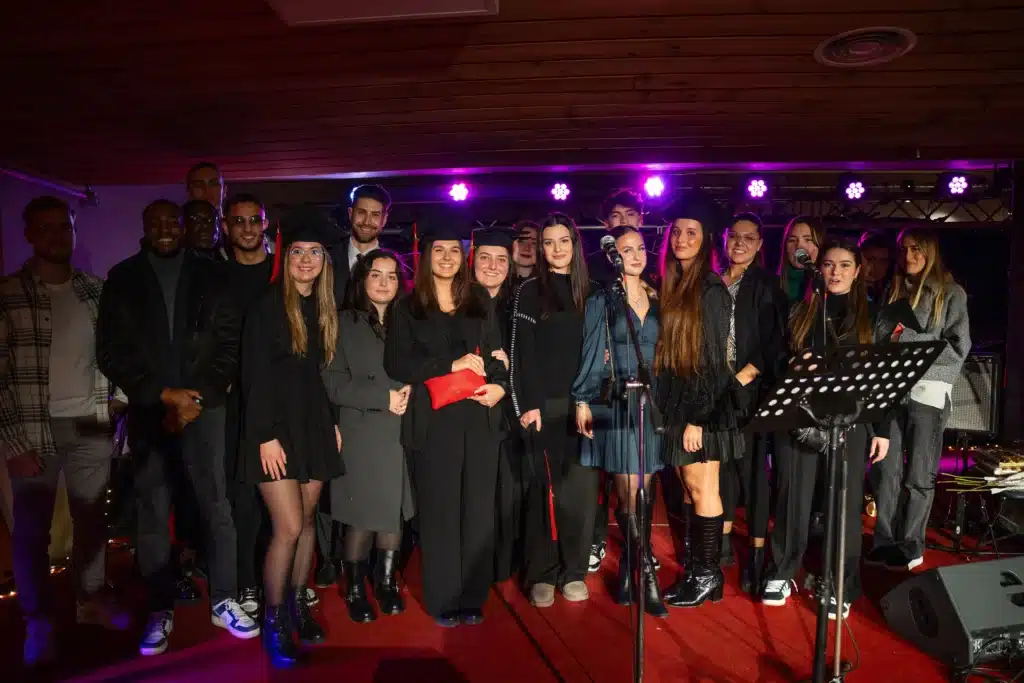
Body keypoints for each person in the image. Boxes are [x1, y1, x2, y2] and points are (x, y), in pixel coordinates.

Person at [97, 199, 255, 656]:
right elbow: (111, 352)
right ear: (145, 227)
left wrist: (195, 397)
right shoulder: (122, 278)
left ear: (185, 228)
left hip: (207, 410)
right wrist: (164, 396)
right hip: (151, 412)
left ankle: (223, 599)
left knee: (217, 506)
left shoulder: (213, 274)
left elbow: (229, 342)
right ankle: (159, 608)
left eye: (174, 222)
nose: (166, 229)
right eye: (156, 223)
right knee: (153, 512)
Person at [1, 196, 130, 668]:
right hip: (33, 429)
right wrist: (13, 444)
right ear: (30, 234)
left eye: (65, 226)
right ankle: (38, 620)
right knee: (31, 532)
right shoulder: (9, 294)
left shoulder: (97, 292)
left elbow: (119, 353)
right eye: (47, 228)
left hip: (90, 421)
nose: (58, 236)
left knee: (93, 521)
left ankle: (90, 598)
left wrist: (119, 400)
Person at [384, 225, 508, 626]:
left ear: (463, 256)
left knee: (477, 512)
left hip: (477, 415)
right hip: (433, 421)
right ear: (426, 256)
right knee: (438, 514)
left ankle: (472, 597)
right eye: (440, 249)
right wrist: (447, 365)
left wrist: (499, 387)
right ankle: (442, 599)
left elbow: (497, 355)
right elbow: (397, 363)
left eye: (455, 249)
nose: (448, 257)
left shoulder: (479, 301)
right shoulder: (408, 307)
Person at [760, 238, 891, 620]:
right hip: (799, 418)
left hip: (849, 422)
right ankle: (784, 570)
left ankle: (840, 582)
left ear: (857, 270)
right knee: (792, 498)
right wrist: (797, 364)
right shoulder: (799, 311)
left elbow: (882, 378)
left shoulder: (872, 316)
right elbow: (775, 360)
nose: (835, 272)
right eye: (830, 264)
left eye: (844, 265)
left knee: (844, 506)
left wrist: (879, 429)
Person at [237, 206, 343, 666]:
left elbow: (324, 376)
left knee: (309, 519)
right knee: (289, 527)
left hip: (315, 425)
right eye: (297, 251)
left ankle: (299, 603)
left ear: (324, 259)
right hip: (272, 431)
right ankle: (274, 622)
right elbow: (253, 377)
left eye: (313, 252)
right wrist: (264, 435)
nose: (304, 259)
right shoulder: (266, 305)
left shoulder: (324, 307)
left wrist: (334, 421)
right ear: (285, 255)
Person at [572, 225, 667, 616]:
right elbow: (593, 351)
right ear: (614, 256)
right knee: (629, 488)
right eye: (626, 249)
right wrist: (582, 399)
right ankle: (645, 571)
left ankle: (631, 567)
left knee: (644, 490)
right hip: (618, 400)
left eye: (640, 247)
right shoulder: (603, 300)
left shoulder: (659, 296)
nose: (635, 254)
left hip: (653, 402)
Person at [869, 228, 970, 571]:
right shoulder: (893, 290)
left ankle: (911, 543)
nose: (909, 256)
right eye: (904, 250)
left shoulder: (950, 292)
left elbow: (959, 347)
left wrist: (912, 349)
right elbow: (880, 342)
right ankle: (884, 540)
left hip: (928, 392)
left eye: (916, 249)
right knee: (886, 471)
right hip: (892, 391)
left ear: (930, 252)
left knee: (919, 474)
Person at [654, 196, 737, 609]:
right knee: (690, 488)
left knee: (704, 488)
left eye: (692, 233)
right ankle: (698, 573)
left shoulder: (710, 289)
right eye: (678, 232)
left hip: (704, 406)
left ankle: (707, 576)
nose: (682, 239)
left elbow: (712, 358)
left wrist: (699, 419)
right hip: (681, 402)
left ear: (706, 241)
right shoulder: (676, 284)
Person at [510, 212, 597, 608]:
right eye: (548, 242)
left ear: (575, 245)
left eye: (564, 241)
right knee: (541, 494)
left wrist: (590, 402)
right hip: (543, 408)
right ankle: (541, 572)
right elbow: (521, 354)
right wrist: (528, 405)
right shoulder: (529, 291)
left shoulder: (594, 292)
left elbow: (599, 355)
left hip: (583, 409)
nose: (556, 249)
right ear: (541, 248)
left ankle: (573, 571)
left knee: (578, 496)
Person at [325, 249, 414, 623]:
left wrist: (412, 388)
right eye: (376, 275)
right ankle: (357, 588)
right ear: (362, 280)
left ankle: (388, 582)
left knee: (393, 513)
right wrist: (383, 398)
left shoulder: (408, 321)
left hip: (402, 430)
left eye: (392, 276)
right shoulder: (342, 322)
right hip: (362, 430)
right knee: (361, 514)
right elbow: (331, 382)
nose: (384, 283)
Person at [716, 213, 787, 594]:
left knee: (754, 473)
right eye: (734, 236)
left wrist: (749, 371)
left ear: (760, 245)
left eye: (749, 238)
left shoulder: (766, 284)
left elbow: (776, 338)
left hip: (751, 389)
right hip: (716, 390)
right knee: (723, 468)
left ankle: (757, 553)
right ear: (724, 240)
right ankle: (724, 542)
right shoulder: (712, 282)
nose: (740, 243)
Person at [220, 194, 274, 618]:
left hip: (279, 399)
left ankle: (282, 578)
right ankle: (247, 582)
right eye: (238, 221)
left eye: (253, 220)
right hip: (233, 401)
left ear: (265, 222)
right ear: (226, 226)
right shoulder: (216, 275)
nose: (247, 228)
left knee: (281, 491)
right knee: (242, 495)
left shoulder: (284, 273)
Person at [470, 227, 518, 580]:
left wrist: (511, 365)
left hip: (510, 415)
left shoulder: (519, 303)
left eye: (501, 259)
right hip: (468, 412)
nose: (492, 266)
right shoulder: (456, 302)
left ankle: (504, 567)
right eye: (484, 257)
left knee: (508, 493)